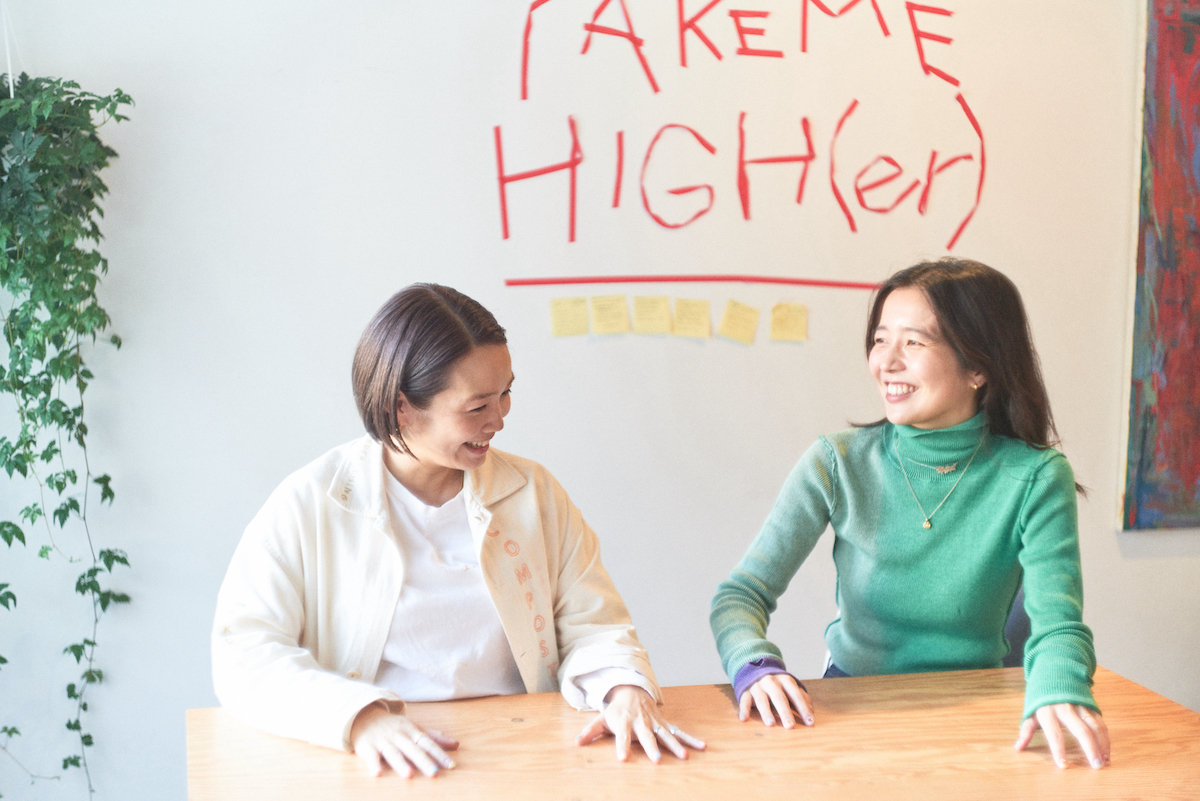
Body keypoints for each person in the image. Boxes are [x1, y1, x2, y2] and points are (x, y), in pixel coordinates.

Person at [213, 283, 703, 778]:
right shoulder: (309, 503)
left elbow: (593, 623)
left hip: (525, 753)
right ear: (401, 407)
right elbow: (244, 652)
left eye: (506, 395)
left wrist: (624, 689)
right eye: (477, 407)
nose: (499, 421)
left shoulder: (533, 493)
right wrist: (359, 719)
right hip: (377, 763)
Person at [710, 258, 1110, 770]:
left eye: (914, 343)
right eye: (880, 340)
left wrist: (1059, 687)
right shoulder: (836, 461)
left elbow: (1059, 625)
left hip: (980, 715)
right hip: (852, 709)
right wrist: (755, 665)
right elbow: (740, 595)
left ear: (978, 367)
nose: (886, 362)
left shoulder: (1035, 475)